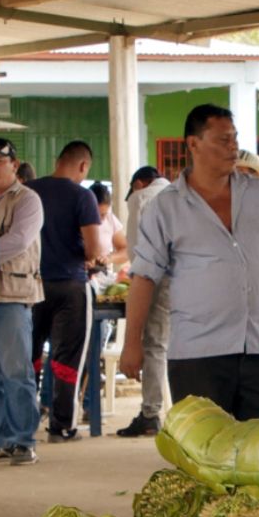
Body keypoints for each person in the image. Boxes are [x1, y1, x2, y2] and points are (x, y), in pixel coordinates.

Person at [121, 103, 259, 419]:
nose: (233, 147)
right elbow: (143, 278)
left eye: (235, 138)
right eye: (223, 140)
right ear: (193, 144)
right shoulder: (166, 207)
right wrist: (132, 343)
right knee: (206, 456)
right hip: (198, 354)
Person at [27, 141, 104, 443]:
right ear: (83, 166)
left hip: (31, 285)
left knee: (29, 357)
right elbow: (94, 249)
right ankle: (61, 426)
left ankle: (23, 426)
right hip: (71, 285)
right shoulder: (82, 196)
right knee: (66, 358)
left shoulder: (29, 190)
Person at [0, 138, 43, 466]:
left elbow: (17, 241)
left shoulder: (27, 200)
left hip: (11, 296)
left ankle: (24, 439)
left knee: (16, 371)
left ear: (14, 165)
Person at [117, 166, 174, 438]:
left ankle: (151, 413)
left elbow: (136, 251)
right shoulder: (179, 192)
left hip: (157, 279)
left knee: (154, 345)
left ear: (139, 183)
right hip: (188, 279)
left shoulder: (140, 198)